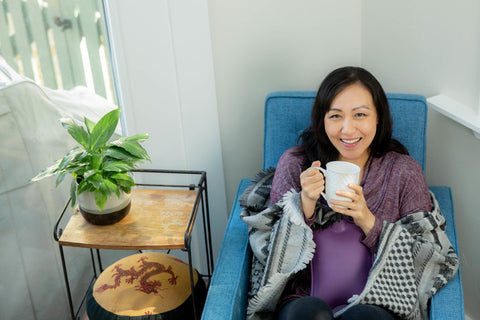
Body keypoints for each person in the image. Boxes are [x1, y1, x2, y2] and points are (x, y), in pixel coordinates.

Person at [270, 66, 432, 320]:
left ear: (378, 117)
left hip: (381, 297)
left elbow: (425, 256)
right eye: (336, 116)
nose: (348, 130)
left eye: (360, 115)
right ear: (322, 120)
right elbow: (270, 252)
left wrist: (368, 220)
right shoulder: (295, 163)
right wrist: (305, 205)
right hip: (304, 297)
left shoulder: (403, 171)